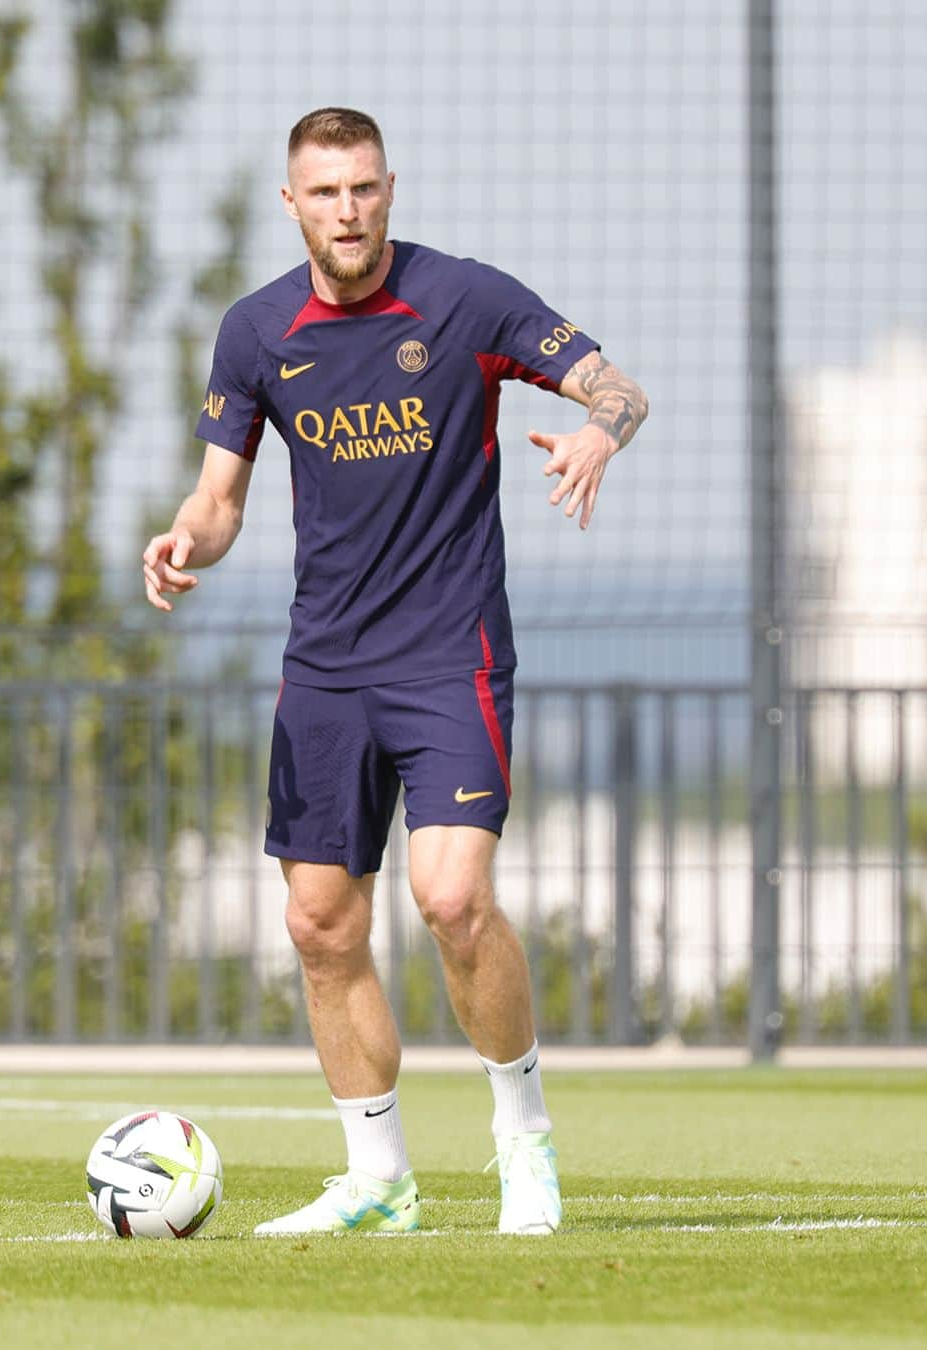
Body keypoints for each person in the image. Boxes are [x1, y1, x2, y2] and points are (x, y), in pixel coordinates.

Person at [143, 107, 648, 1236]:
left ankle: (525, 1147)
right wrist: (184, 544)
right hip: (325, 669)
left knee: (454, 899)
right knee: (320, 922)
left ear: (389, 189)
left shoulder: (466, 298)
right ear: (293, 204)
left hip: (447, 656)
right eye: (325, 193)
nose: (348, 211)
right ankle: (378, 1177)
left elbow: (617, 384)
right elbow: (217, 501)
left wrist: (599, 432)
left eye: (364, 188)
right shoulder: (256, 330)